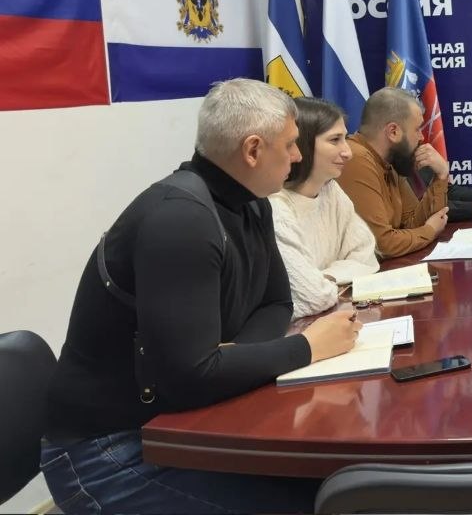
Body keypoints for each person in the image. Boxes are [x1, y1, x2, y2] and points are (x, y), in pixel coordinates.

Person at [41, 79, 362, 514]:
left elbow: (277, 303)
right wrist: (306, 347)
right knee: (322, 504)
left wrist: (230, 359)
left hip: (175, 422)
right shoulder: (180, 219)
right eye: (290, 144)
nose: (298, 156)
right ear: (253, 150)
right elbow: (192, 375)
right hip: (106, 452)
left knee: (334, 484)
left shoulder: (254, 203)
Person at [269, 97, 378, 319]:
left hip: (331, 314)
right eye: (335, 140)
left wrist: (326, 278)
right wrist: (337, 277)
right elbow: (311, 296)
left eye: (345, 138)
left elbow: (367, 256)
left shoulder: (331, 190)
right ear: (302, 143)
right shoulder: (274, 206)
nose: (348, 152)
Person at [337, 87, 451, 258]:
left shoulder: (390, 159)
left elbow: (412, 224)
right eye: (417, 129)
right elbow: (383, 244)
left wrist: (441, 176)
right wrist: (430, 231)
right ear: (393, 132)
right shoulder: (356, 158)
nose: (421, 137)